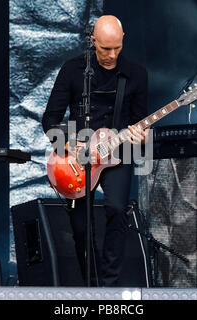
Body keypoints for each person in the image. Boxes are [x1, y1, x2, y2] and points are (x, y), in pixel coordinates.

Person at [42, 15, 149, 286]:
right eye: (104, 49)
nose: (111, 55)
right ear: (93, 41)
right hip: (78, 159)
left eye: (117, 48)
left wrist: (140, 137)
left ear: (123, 40)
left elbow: (140, 125)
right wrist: (67, 142)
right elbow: (50, 119)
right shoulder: (73, 70)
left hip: (117, 152)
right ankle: (92, 285)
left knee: (116, 210)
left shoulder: (136, 74)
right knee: (80, 227)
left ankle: (110, 286)